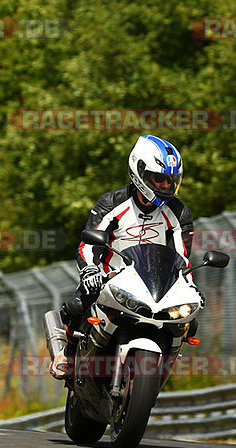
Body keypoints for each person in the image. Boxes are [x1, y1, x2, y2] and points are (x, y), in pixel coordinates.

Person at [50, 134, 194, 379]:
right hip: (109, 279)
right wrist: (90, 271)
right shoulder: (112, 203)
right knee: (77, 305)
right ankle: (68, 352)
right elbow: (87, 244)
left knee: (189, 321)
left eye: (170, 181)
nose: (165, 186)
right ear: (139, 173)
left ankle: (164, 368)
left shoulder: (178, 212)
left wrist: (189, 284)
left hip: (155, 286)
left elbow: (182, 256)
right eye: (158, 179)